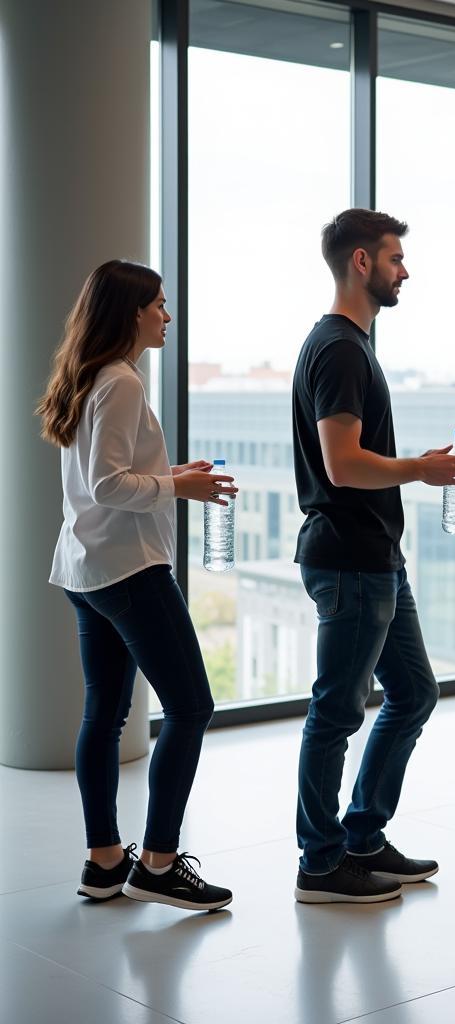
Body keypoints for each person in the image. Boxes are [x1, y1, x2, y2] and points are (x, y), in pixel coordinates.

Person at [39, 259, 237, 911]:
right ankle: (156, 862)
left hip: (86, 568)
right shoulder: (121, 381)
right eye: (158, 304)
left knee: (105, 713)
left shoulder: (91, 376)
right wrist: (180, 485)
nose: (166, 316)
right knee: (191, 707)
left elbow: (112, 473)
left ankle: (103, 863)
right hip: (129, 569)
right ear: (131, 312)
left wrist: (172, 471)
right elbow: (107, 484)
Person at [291, 209, 455, 904]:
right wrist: (419, 470)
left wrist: (411, 468)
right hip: (349, 559)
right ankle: (320, 861)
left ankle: (363, 834)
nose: (406, 270)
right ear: (362, 263)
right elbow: (342, 465)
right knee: (337, 711)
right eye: (396, 258)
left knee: (414, 691)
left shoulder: (350, 345)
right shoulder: (339, 347)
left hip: (374, 558)